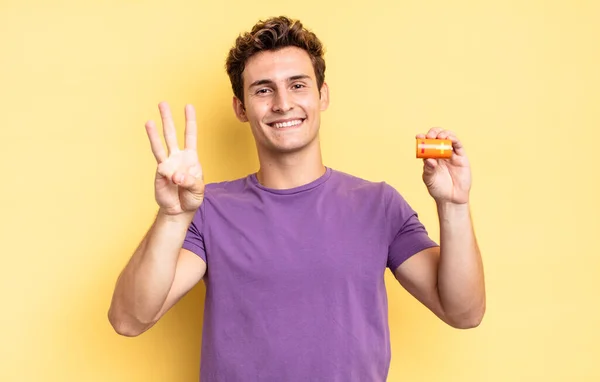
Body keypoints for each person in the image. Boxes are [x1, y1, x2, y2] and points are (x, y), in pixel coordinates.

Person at [108, 15, 485, 381]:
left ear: (323, 95)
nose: (282, 103)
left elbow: (463, 312)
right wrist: (173, 217)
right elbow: (129, 319)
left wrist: (453, 206)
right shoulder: (208, 210)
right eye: (263, 89)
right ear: (241, 107)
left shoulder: (379, 205)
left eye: (298, 85)